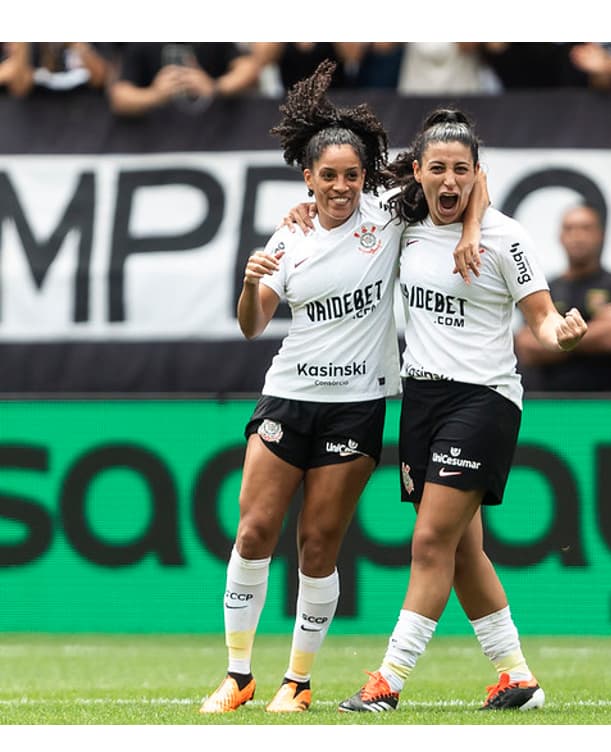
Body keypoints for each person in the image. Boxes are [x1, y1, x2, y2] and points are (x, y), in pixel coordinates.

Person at [198, 60, 483, 715]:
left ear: (365, 177)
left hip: (355, 405)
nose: (339, 187)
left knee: (318, 545)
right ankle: (239, 674)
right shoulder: (289, 235)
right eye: (328, 176)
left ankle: (296, 681)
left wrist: (469, 228)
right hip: (286, 397)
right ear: (309, 177)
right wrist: (248, 282)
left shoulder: (386, 216)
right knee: (252, 533)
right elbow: (252, 325)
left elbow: (464, 170)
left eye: (351, 176)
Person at [334, 108, 587, 713]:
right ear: (416, 171)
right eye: (438, 169)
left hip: (483, 400)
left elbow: (542, 318)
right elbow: (338, 216)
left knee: (429, 542)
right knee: (463, 550)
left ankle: (388, 681)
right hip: (420, 400)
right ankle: (517, 678)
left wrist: (563, 335)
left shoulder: (506, 237)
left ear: (479, 174)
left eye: (462, 171)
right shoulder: (403, 228)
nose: (450, 182)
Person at [515, 203, 611, 392]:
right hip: (551, 403)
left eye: (585, 228)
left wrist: (554, 340)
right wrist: (594, 330)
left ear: (600, 235)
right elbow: (527, 347)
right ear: (560, 237)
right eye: (570, 229)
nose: (577, 236)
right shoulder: (544, 288)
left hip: (605, 402)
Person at [108, 42, 262, 117]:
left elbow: (249, 69)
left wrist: (214, 87)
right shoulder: (143, 43)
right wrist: (154, 95)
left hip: (215, 135)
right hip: (158, 143)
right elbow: (119, 96)